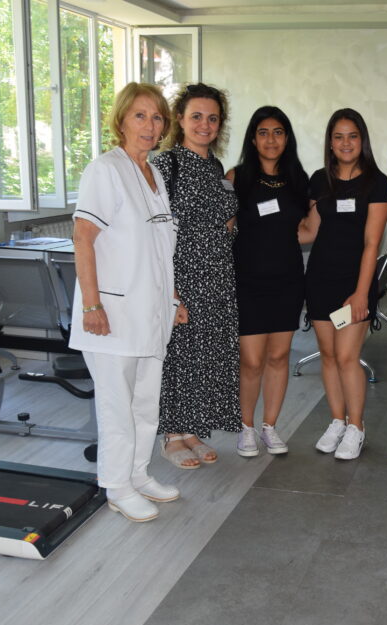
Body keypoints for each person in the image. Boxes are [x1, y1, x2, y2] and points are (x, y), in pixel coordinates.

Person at [70, 83, 183, 523]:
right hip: (113, 315)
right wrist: (91, 305)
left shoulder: (153, 174)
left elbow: (158, 248)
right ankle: (116, 486)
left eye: (157, 117)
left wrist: (172, 298)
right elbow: (83, 238)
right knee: (117, 406)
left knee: (145, 401)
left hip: (151, 312)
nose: (150, 125)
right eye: (140, 115)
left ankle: (137, 473)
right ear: (121, 121)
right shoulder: (106, 170)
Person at [152, 83, 240, 469]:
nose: (205, 125)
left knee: (205, 357)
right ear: (180, 120)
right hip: (182, 276)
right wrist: (170, 293)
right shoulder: (165, 165)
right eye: (197, 117)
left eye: (212, 118)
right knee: (179, 355)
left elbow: (222, 219)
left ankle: (191, 431)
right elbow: (154, 232)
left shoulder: (216, 168)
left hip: (217, 276)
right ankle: (172, 436)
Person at [299, 109, 387, 461]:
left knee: (347, 357)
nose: (345, 143)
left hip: (354, 284)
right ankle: (337, 421)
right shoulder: (319, 180)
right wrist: (265, 232)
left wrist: (361, 293)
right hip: (320, 279)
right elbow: (310, 231)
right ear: (330, 142)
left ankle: (356, 427)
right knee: (328, 356)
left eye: (352, 135)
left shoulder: (377, 183)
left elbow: (372, 243)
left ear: (362, 139)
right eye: (338, 136)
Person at [227, 106, 308, 458]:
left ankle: (270, 427)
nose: (271, 139)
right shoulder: (236, 177)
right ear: (252, 138)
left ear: (286, 138)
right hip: (248, 281)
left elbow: (305, 230)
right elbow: (224, 231)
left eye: (277, 132)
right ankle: (246, 428)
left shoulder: (298, 179)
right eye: (263, 132)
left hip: (287, 280)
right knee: (251, 360)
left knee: (279, 356)